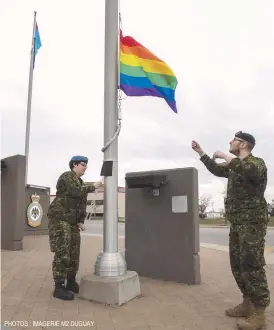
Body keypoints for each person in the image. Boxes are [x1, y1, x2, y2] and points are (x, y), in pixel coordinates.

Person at [192, 131, 270, 330]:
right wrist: (201, 152)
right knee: (237, 264)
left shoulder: (256, 163)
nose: (230, 141)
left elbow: (247, 170)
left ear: (243, 144)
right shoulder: (235, 166)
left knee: (252, 265)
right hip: (237, 223)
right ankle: (247, 303)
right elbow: (218, 171)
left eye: (234, 140)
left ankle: (259, 314)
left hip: (252, 222)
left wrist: (226, 155)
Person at [47, 155, 101, 301]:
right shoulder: (67, 176)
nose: (85, 167)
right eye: (83, 164)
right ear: (74, 165)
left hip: (71, 222)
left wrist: (80, 220)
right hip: (60, 219)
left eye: (86, 165)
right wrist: (93, 186)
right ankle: (59, 286)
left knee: (74, 251)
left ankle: (70, 282)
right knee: (63, 250)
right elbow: (75, 191)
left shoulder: (80, 182)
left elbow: (82, 203)